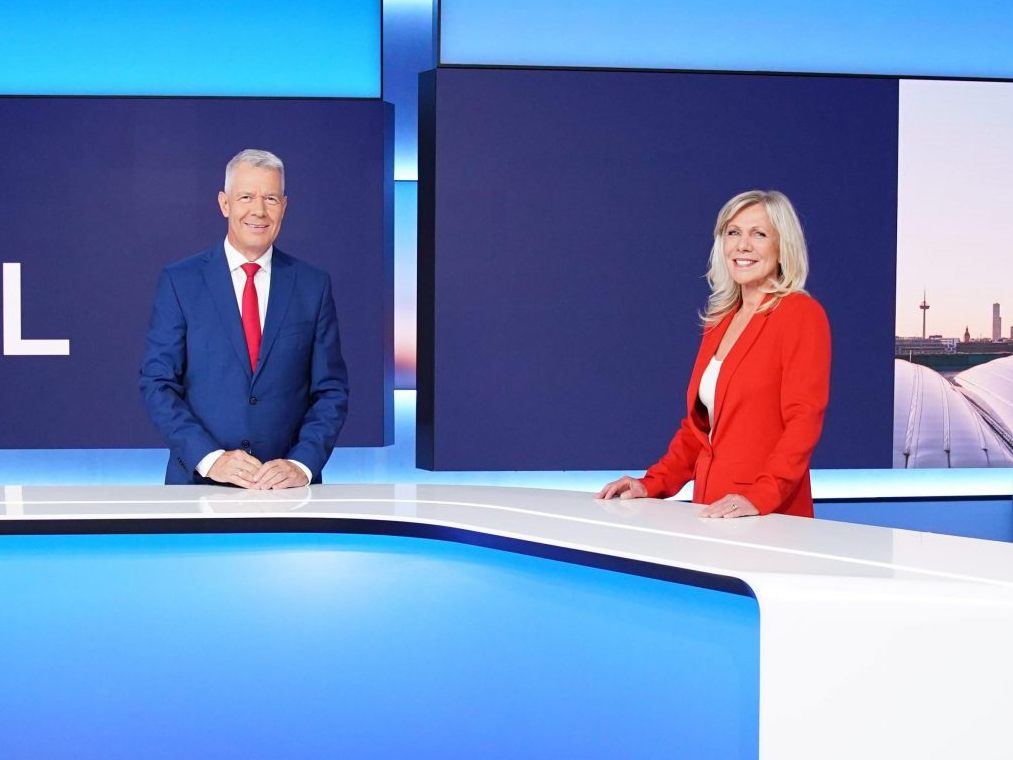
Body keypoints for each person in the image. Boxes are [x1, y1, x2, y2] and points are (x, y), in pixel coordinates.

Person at [597, 190, 830, 518]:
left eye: (759, 234)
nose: (742, 245)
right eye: (733, 232)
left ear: (783, 247)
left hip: (766, 514)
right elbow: (699, 432)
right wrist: (652, 483)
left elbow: (802, 423)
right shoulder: (720, 320)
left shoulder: (800, 314)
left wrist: (761, 497)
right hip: (710, 510)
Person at [140, 149, 349, 488]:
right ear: (225, 204)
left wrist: (302, 463)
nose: (259, 211)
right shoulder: (181, 281)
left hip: (287, 491)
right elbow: (158, 383)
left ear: (284, 206)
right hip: (198, 485)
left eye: (271, 198)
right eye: (246, 197)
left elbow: (331, 391)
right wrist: (211, 460)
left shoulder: (313, 285)